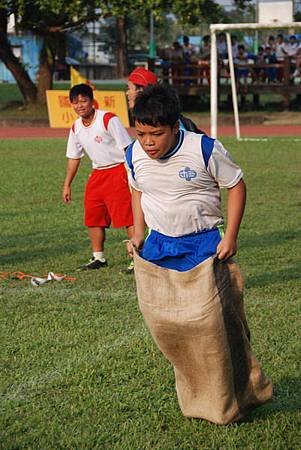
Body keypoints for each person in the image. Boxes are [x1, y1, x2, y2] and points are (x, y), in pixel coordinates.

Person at [125, 84, 273, 425]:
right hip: (160, 247)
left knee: (216, 330)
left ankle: (236, 399)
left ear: (175, 126)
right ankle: (199, 396)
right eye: (142, 133)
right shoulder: (133, 154)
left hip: (204, 247)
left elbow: (235, 184)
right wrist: (138, 231)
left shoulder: (203, 148)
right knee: (169, 329)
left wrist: (231, 236)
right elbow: (136, 188)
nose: (148, 142)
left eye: (156, 134)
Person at [62, 83, 134, 271]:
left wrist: (133, 174)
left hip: (119, 170)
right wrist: (67, 184)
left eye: (84, 101)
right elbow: (74, 157)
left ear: (92, 101)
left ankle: (136, 258)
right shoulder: (76, 127)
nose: (80, 106)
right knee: (93, 215)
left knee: (128, 216)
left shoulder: (108, 119)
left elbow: (128, 148)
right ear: (71, 104)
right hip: (98, 173)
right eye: (76, 102)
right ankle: (98, 258)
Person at [126, 67, 205, 134]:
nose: (127, 93)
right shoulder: (151, 117)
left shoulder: (167, 120)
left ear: (140, 90)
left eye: (129, 88)